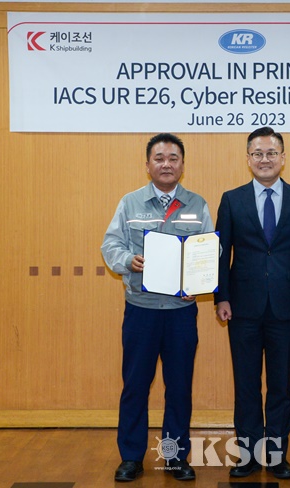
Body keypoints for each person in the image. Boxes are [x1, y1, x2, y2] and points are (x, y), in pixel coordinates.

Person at [101, 133, 214, 482]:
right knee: (136, 386)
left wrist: (199, 282)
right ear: (147, 165)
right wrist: (127, 260)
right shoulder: (130, 203)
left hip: (180, 313)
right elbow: (110, 244)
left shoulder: (197, 204)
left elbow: (211, 251)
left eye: (173, 158)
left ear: (182, 164)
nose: (167, 164)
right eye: (159, 158)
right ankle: (131, 457)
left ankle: (175, 457)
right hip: (142, 310)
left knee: (178, 388)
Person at [215, 127, 290, 480]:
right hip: (241, 307)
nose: (265, 159)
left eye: (271, 153)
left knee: (279, 385)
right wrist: (221, 296)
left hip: (287, 306)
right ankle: (247, 455)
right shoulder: (232, 200)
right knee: (246, 385)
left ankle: (275, 456)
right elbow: (221, 253)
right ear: (248, 159)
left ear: (283, 158)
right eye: (258, 154)